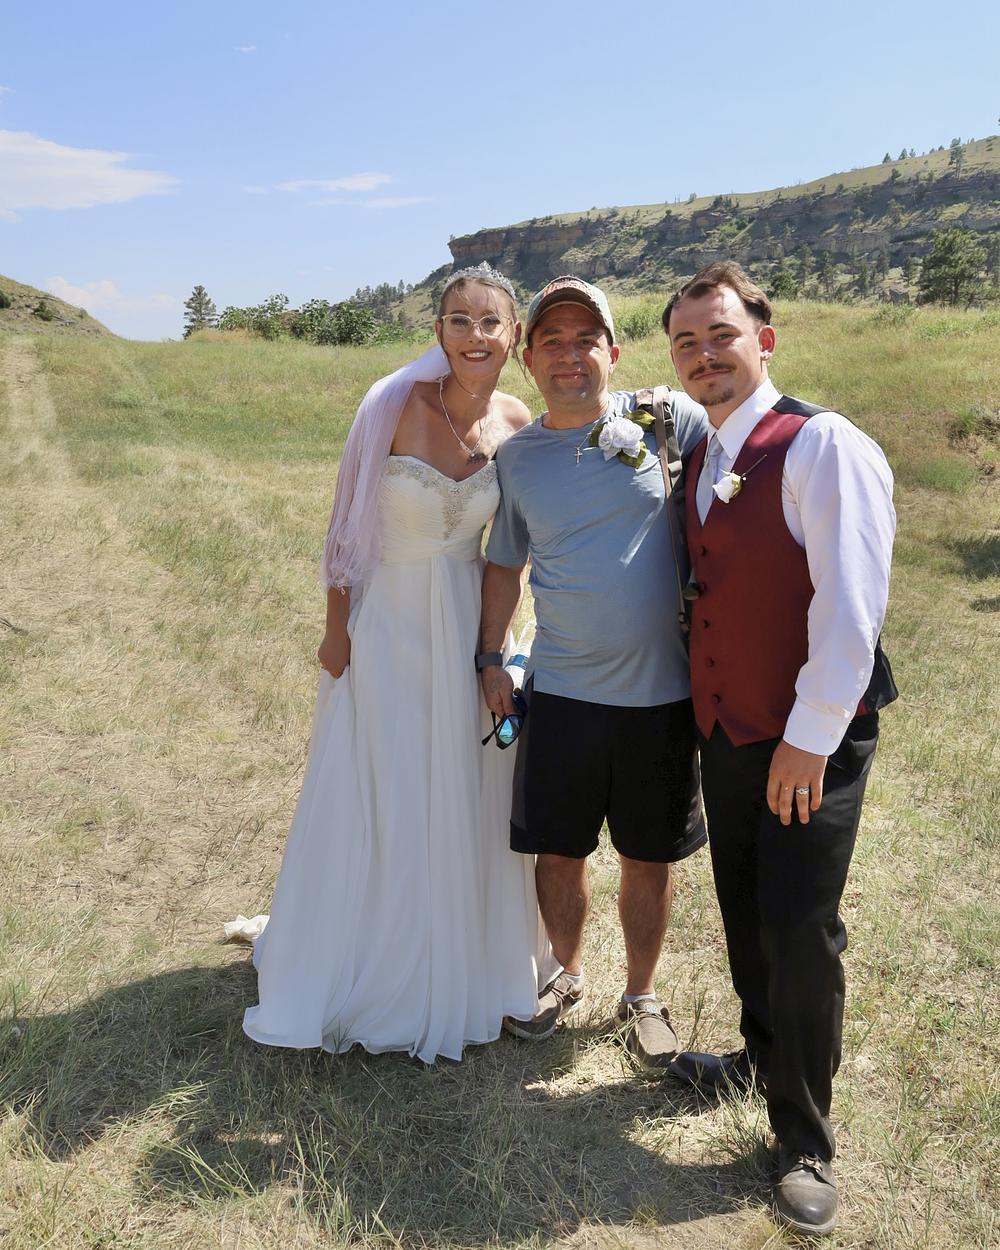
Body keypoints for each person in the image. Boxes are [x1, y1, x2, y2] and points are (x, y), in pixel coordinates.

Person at [243, 263, 553, 1064]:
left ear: (513, 335)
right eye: (460, 319)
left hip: (469, 625)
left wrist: (499, 649)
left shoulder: (519, 422)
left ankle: (467, 954)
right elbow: (346, 526)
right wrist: (335, 628)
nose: (476, 335)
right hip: (386, 621)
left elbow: (513, 546)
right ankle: (363, 948)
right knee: (383, 777)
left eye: (491, 321)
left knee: (464, 781)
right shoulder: (390, 404)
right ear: (437, 329)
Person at [662, 261, 896, 1235]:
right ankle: (759, 1058)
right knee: (745, 907)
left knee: (799, 928)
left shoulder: (821, 443)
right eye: (686, 342)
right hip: (728, 727)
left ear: (764, 338)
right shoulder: (700, 450)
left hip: (808, 736)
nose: (704, 354)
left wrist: (807, 740)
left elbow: (851, 607)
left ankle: (803, 1138)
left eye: (721, 334)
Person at [478, 276, 709, 1071]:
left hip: (662, 696)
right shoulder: (518, 459)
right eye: (552, 341)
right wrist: (490, 655)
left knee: (649, 855)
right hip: (562, 692)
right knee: (558, 851)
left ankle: (641, 995)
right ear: (529, 360)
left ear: (614, 351)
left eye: (586, 340)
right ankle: (565, 976)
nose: (569, 355)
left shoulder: (666, 422)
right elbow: (504, 565)